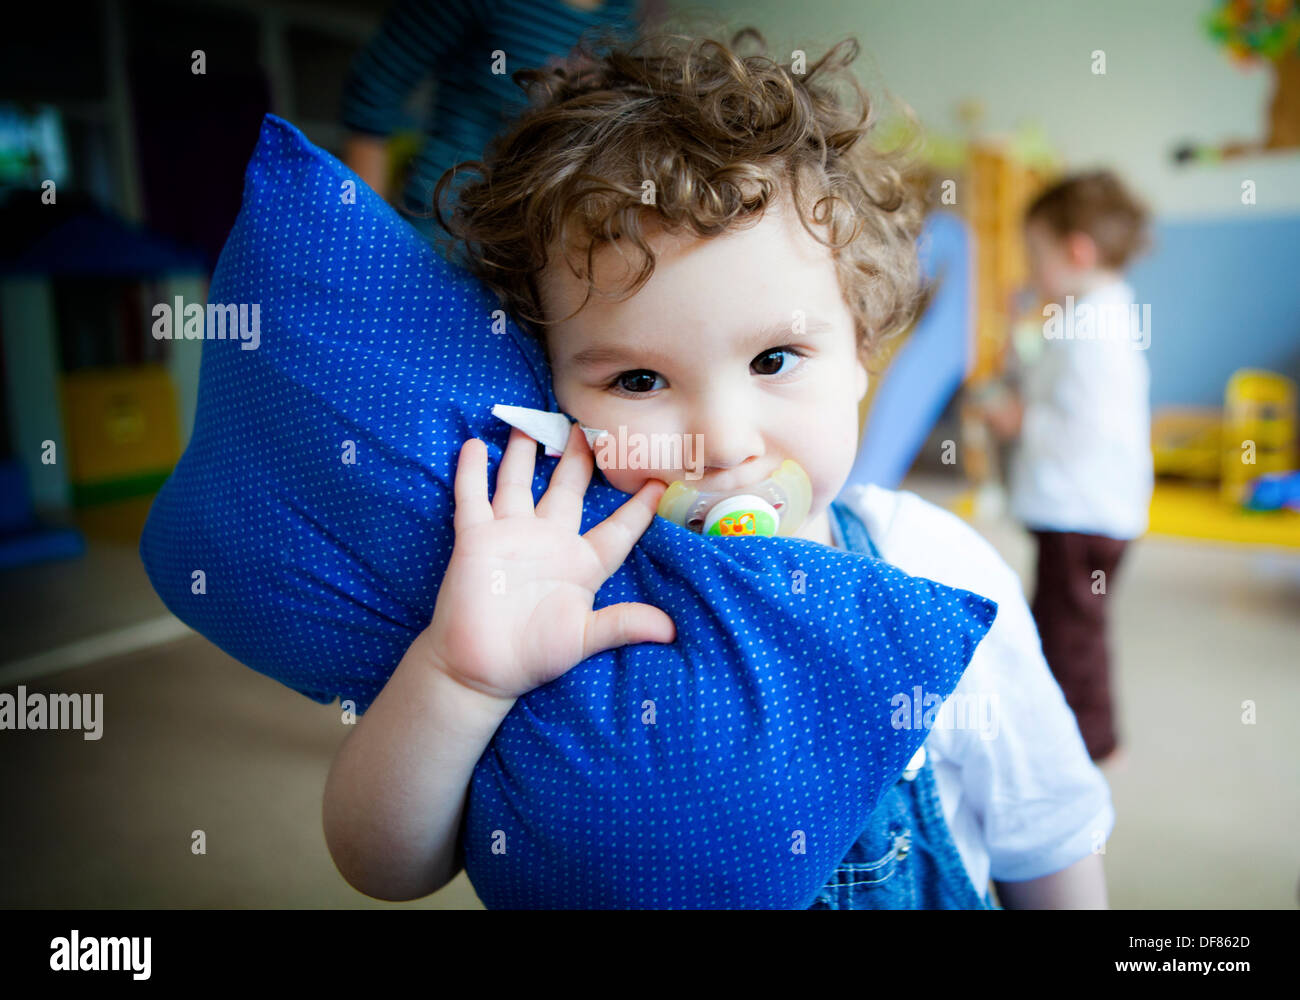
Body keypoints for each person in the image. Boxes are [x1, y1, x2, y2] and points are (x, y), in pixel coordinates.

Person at [323, 30, 1114, 909]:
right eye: (638, 379)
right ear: (550, 391)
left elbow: (1048, 837)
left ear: (863, 347)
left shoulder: (937, 570)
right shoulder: (548, 583)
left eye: (775, 359)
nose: (726, 442)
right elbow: (386, 867)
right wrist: (460, 676)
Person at [983, 170, 1153, 769]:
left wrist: (1021, 422)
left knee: (1072, 633)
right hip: (1088, 510)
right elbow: (1042, 373)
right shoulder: (1089, 314)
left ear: (1077, 252)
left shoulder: (1093, 329)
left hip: (1084, 512)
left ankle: (1090, 747)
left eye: (1037, 258)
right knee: (1069, 621)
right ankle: (1079, 733)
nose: (1031, 273)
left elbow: (1087, 427)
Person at [339, 0, 656, 244]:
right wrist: (364, 240)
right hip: (448, 233)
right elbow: (374, 89)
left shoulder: (623, 14)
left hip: (537, 257)